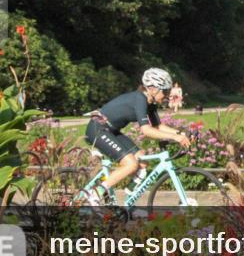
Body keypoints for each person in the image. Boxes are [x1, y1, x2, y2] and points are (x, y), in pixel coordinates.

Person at [80, 68, 191, 205]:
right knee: (131, 164)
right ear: (152, 88)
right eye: (165, 91)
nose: (167, 95)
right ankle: (95, 194)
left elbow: (158, 126)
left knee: (142, 160)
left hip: (111, 130)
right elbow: (146, 130)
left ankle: (129, 197)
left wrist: (180, 133)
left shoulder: (150, 103)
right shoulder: (140, 99)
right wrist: (175, 138)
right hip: (98, 129)